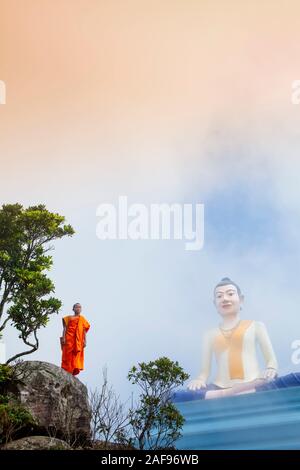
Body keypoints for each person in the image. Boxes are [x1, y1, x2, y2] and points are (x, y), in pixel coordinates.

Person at [173, 277, 278, 402]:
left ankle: (240, 391)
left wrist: (271, 369)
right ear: (215, 303)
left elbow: (271, 361)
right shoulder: (210, 334)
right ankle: (232, 392)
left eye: (230, 294)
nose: (225, 299)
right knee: (175, 396)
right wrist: (200, 380)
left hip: (254, 382)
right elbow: (204, 372)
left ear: (241, 299)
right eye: (219, 296)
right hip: (219, 388)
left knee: (292, 379)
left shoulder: (256, 326)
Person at [61, 302, 90, 376]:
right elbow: (65, 328)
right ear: (73, 309)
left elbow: (84, 331)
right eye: (76, 307)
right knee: (67, 355)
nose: (78, 308)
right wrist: (63, 337)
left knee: (75, 355)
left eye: (80, 307)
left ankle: (72, 371)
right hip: (68, 338)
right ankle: (66, 369)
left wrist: (84, 341)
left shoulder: (82, 319)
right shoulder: (69, 318)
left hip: (78, 341)